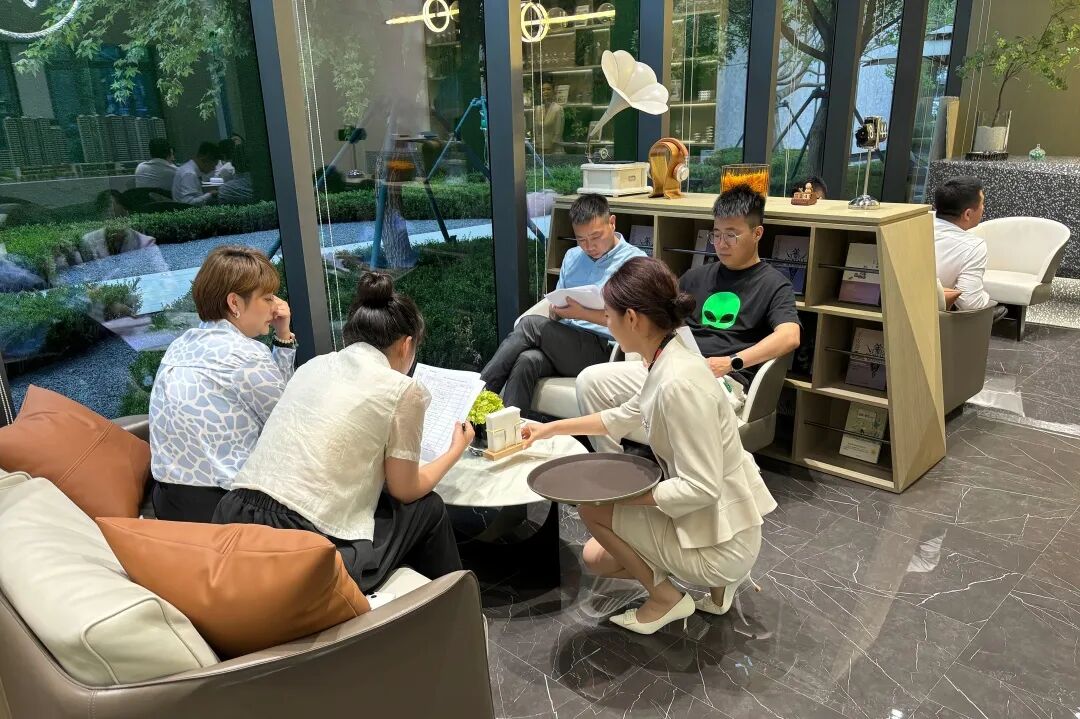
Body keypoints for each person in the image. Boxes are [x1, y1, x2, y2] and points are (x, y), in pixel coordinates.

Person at [523, 257, 777, 634]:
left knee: (593, 517)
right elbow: (622, 415)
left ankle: (666, 599)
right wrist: (550, 429)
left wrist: (619, 500)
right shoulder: (671, 355)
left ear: (633, 319)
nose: (606, 323)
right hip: (730, 521)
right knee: (597, 553)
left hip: (726, 544)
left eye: (608, 315)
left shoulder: (678, 384)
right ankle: (718, 591)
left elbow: (701, 487)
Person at [213, 272, 470, 592]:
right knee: (428, 507)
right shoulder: (403, 389)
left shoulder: (312, 366)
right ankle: (459, 604)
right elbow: (406, 489)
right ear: (406, 346)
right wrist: (455, 450)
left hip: (235, 517)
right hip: (305, 547)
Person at [577, 185, 801, 452]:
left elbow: (790, 336)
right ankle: (614, 463)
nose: (721, 243)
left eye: (731, 235)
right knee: (589, 381)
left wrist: (731, 362)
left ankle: (682, 472)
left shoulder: (774, 284)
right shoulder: (696, 277)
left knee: (676, 397)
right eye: (716, 234)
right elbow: (662, 318)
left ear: (757, 233)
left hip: (722, 380)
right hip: (671, 367)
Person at [148, 246, 295, 522]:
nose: (276, 306)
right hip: (225, 508)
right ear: (234, 303)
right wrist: (283, 336)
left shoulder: (179, 345)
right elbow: (284, 422)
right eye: (267, 298)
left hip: (168, 503)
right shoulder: (246, 356)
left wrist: (282, 335)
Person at [480, 193, 645, 412]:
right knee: (527, 360)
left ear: (612, 223)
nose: (589, 246)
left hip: (604, 349)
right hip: (566, 342)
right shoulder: (572, 257)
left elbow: (632, 322)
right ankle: (509, 429)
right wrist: (556, 311)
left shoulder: (634, 262)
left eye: (596, 236)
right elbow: (557, 306)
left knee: (530, 325)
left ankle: (477, 397)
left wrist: (580, 313)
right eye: (581, 239)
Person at [933, 176, 995, 312]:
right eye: (982, 204)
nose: (983, 208)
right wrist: (987, 298)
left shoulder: (915, 225)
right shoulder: (973, 247)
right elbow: (969, 304)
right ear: (967, 214)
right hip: (935, 317)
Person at [531, 75, 564, 153]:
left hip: (554, 150)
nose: (545, 92)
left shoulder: (558, 109)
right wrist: (537, 147)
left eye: (548, 89)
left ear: (553, 91)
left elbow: (558, 133)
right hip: (539, 149)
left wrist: (550, 149)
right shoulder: (538, 109)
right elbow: (536, 131)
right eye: (543, 90)